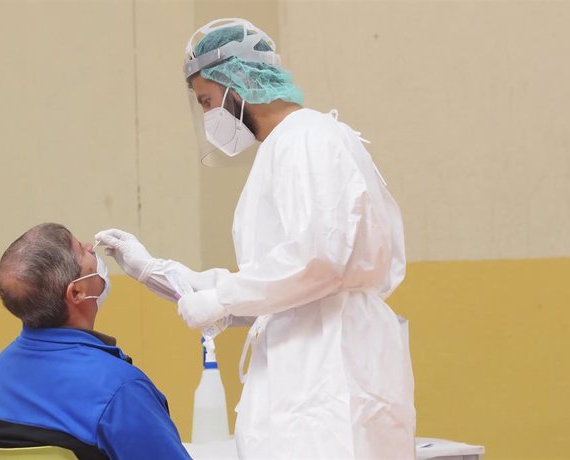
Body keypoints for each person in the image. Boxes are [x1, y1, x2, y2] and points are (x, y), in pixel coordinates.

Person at [96, 18, 416, 459]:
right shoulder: (290, 145)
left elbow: (318, 260)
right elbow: (283, 282)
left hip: (325, 374)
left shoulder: (305, 140)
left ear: (239, 82)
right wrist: (159, 272)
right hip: (312, 363)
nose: (209, 116)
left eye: (208, 100)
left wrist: (223, 298)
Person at [0, 223, 191, 460]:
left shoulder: (2, 370)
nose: (92, 248)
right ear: (76, 293)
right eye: (82, 250)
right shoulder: (119, 389)